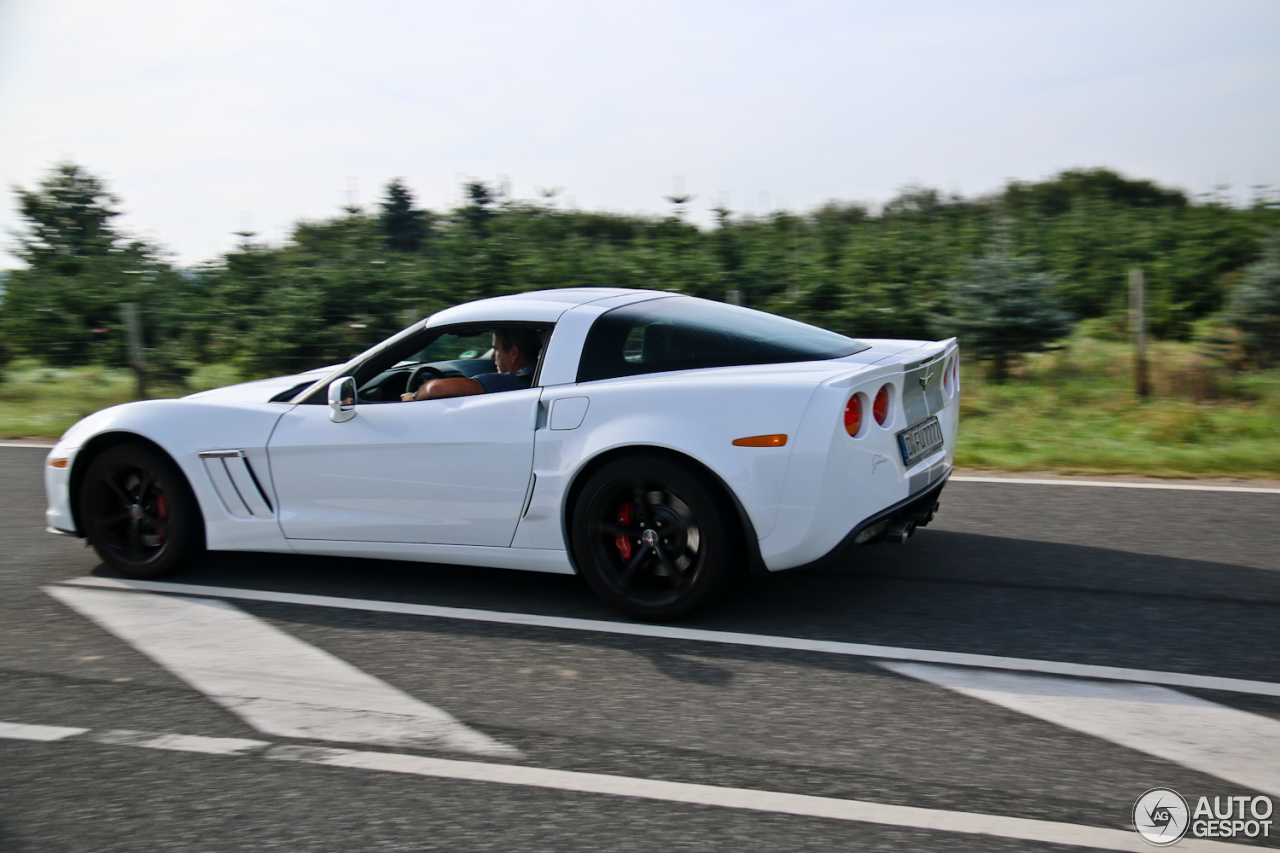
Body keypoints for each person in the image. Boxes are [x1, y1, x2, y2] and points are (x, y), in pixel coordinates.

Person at [400, 327, 542, 401]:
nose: (493, 357)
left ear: (513, 354)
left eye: (496, 350)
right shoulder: (538, 379)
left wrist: (412, 397)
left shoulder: (508, 383)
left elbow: (434, 389)